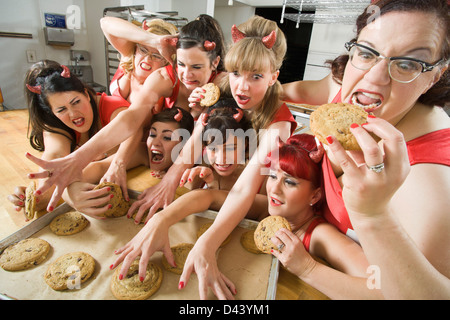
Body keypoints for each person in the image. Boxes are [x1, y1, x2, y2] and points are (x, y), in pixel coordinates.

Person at [281, 0, 449, 299]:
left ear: (434, 75)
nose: (375, 78)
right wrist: (246, 84)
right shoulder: (344, 93)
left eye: (408, 63)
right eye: (368, 53)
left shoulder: (430, 181)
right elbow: (301, 91)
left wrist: (373, 216)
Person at [25, 14, 227, 212]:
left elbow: (202, 130)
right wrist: (79, 158)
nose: (187, 74)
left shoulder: (223, 83)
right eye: (181, 64)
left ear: (215, 62)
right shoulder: (164, 78)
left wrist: (170, 180)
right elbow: (132, 117)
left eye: (197, 67)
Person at [172, 16, 299, 299]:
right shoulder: (223, 90)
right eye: (237, 73)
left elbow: (247, 187)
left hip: (260, 207)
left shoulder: (278, 124)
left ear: (273, 76)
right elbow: (196, 144)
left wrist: (207, 243)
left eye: (256, 76)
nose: (242, 86)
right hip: (224, 196)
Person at [109, 99, 268, 281]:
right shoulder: (205, 167)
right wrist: (204, 180)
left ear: (246, 145)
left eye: (231, 148)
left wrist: (208, 191)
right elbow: (202, 199)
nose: (222, 158)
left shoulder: (258, 177)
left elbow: (227, 202)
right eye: (213, 148)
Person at [267, 134, 384, 299]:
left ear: (314, 197)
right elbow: (230, 198)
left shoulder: (321, 235)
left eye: (290, 182)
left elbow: (383, 290)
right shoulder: (279, 211)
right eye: (272, 176)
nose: (274, 189)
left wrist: (307, 268)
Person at [8, 60, 129, 215]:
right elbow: (54, 157)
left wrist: (69, 185)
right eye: (61, 109)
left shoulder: (115, 109)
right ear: (52, 112)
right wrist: (37, 196)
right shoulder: (55, 126)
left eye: (76, 102)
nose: (74, 114)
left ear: (86, 93)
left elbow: (137, 149)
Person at [63, 107, 194, 219]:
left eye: (167, 137)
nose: (155, 143)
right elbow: (98, 168)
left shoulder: (196, 167)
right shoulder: (143, 152)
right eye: (152, 135)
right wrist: (71, 194)